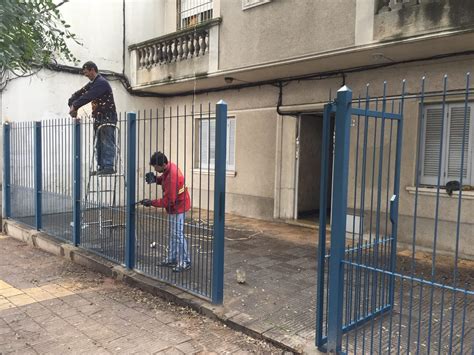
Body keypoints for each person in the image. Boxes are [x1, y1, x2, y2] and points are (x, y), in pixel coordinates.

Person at [141, 152, 191, 272]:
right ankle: (172, 258)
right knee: (174, 233)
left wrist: (151, 202)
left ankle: (185, 261)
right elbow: (164, 179)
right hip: (176, 205)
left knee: (178, 234)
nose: (155, 169)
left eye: (156, 167)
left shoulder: (172, 177)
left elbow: (169, 201)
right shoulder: (169, 168)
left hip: (179, 206)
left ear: (162, 164)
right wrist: (155, 179)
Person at [68, 61, 117, 175]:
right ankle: (101, 166)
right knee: (98, 142)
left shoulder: (101, 83)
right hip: (99, 117)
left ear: (92, 70)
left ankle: (108, 166)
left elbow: (88, 96)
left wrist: (75, 106)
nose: (86, 75)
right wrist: (71, 103)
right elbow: (79, 93)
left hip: (108, 116)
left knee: (106, 141)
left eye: (87, 73)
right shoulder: (93, 83)